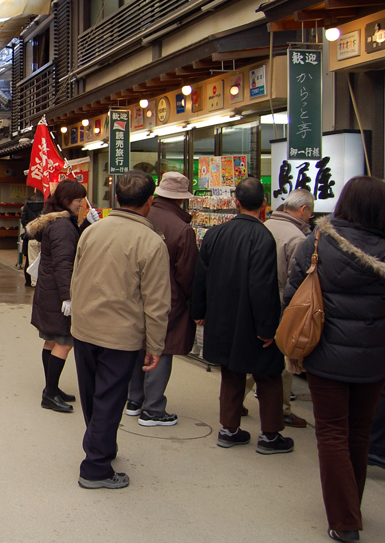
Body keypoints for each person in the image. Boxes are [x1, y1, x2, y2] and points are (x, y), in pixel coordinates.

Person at [284, 176, 385, 542]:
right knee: (359, 433)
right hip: (375, 360)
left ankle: (345, 521)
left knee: (331, 433)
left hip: (325, 354)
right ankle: (351, 508)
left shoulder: (316, 242)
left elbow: (293, 295)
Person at [69, 171, 170, 489]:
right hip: (120, 334)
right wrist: (155, 345)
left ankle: (101, 447)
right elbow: (156, 303)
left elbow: (77, 276)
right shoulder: (152, 242)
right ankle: (95, 467)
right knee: (110, 398)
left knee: (92, 396)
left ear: (117, 200)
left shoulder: (92, 231)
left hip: (84, 327)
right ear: (150, 202)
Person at [193, 177, 292, 455]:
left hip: (222, 316)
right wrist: (267, 328)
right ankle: (270, 435)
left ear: (235, 202)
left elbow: (201, 276)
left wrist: (199, 311)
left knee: (231, 373)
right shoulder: (263, 237)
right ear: (264, 203)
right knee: (269, 375)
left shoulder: (215, 234)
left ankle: (229, 429)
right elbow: (263, 286)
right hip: (253, 320)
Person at [126, 172, 198, 427]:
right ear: (181, 200)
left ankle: (134, 399)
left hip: (135, 293)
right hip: (170, 298)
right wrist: (194, 303)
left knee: (138, 344)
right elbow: (187, 273)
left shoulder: (141, 217)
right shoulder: (182, 229)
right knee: (162, 348)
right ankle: (153, 407)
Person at [28, 179, 99, 414]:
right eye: (79, 199)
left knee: (50, 340)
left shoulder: (58, 221)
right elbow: (63, 264)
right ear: (68, 200)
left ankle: (52, 387)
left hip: (49, 292)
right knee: (64, 343)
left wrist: (87, 225)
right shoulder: (62, 226)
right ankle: (49, 393)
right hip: (58, 294)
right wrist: (68, 297)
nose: (82, 204)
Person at [261, 188, 315, 428]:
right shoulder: (298, 238)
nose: (310, 218)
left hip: (258, 299)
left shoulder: (265, 225)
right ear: (303, 210)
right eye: (310, 213)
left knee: (259, 353)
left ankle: (234, 399)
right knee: (281, 358)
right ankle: (280, 410)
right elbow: (298, 280)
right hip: (282, 302)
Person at [21, 189, 45, 286]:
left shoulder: (27, 204)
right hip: (44, 237)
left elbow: (23, 220)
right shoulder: (47, 204)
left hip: (32, 237)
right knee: (44, 261)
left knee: (32, 260)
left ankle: (35, 283)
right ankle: (42, 282)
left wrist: (29, 228)